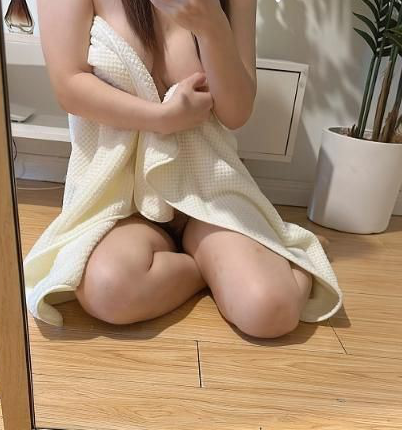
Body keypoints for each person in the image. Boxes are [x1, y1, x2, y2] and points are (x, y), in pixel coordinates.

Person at [37, 0, 314, 339]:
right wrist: (162, 119)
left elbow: (236, 113)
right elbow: (68, 84)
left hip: (207, 190)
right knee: (108, 289)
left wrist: (212, 26)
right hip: (123, 198)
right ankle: (210, 269)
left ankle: (264, 259)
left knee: (271, 311)